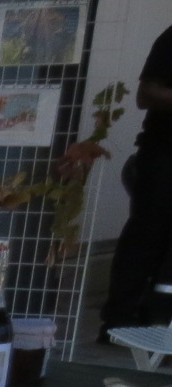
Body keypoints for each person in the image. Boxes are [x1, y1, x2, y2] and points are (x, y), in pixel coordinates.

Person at [101, 23, 172, 336]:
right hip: (165, 152)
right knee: (148, 234)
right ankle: (120, 323)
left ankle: (159, 319)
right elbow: (146, 94)